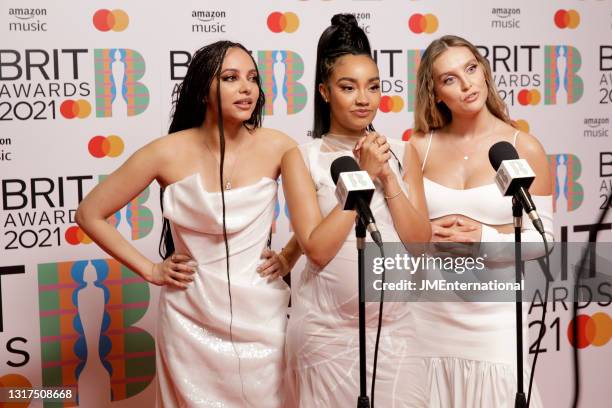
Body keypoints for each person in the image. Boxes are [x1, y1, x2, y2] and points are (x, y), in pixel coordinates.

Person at [76, 41, 299, 407]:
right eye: (231, 78)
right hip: (188, 321)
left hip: (264, 318)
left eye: (253, 78)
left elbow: (323, 208)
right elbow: (89, 213)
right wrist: (150, 268)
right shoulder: (165, 152)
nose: (247, 88)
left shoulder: (279, 146)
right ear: (203, 88)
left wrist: (290, 255)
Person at [281, 14, 431, 407]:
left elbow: (418, 244)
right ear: (325, 92)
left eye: (373, 87)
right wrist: (360, 177)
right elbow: (316, 248)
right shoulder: (301, 158)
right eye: (348, 88)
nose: (363, 99)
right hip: (326, 337)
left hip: (398, 335)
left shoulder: (402, 153)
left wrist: (387, 177)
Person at [409, 35, 554, 407]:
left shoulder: (524, 147)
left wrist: (486, 237)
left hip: (495, 325)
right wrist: (425, 234)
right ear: (436, 93)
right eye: (450, 78)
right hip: (428, 319)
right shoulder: (419, 149)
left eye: (471, 69)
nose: (467, 83)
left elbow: (544, 238)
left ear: (484, 72)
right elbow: (403, 232)